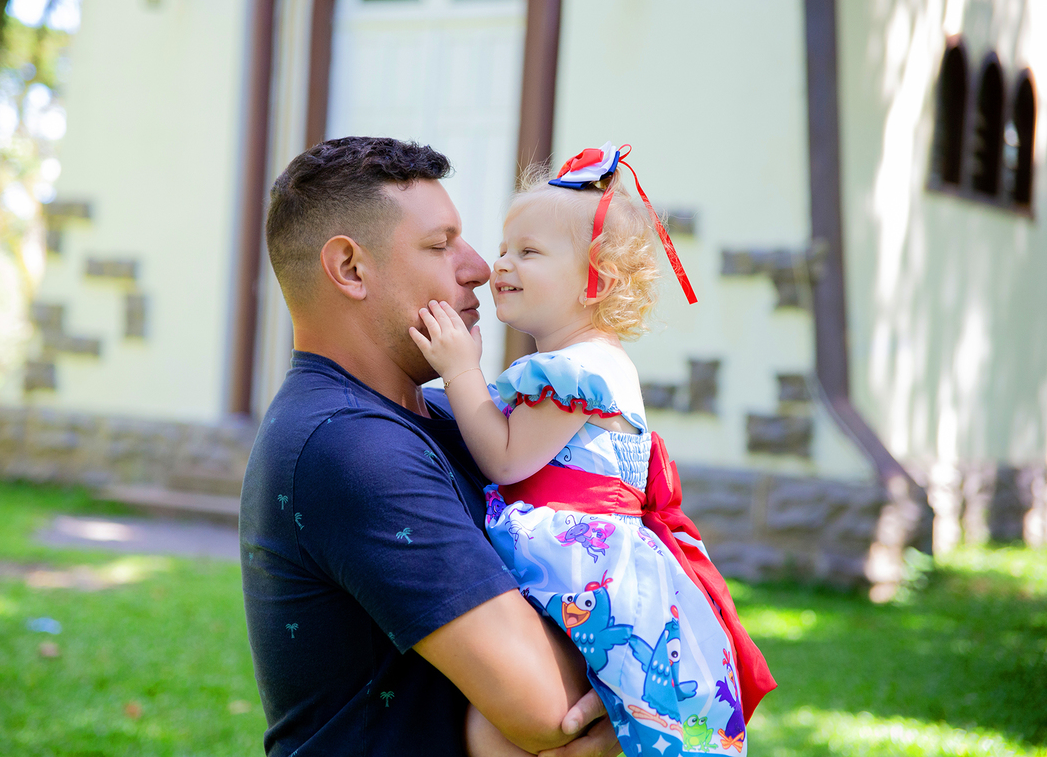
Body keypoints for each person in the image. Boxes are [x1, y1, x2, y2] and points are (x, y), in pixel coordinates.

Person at [239, 136, 622, 756]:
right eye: (441, 245)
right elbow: (548, 707)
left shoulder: (466, 420)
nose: (478, 267)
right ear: (351, 269)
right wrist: (636, 689)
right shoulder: (349, 448)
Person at [409, 143, 776, 756]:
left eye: (528, 252)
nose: (500, 264)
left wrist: (458, 371)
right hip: (593, 562)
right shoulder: (585, 364)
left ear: (595, 279)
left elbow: (502, 459)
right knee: (522, 725)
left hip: (581, 568)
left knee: (501, 726)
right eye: (505, 248)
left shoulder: (576, 373)